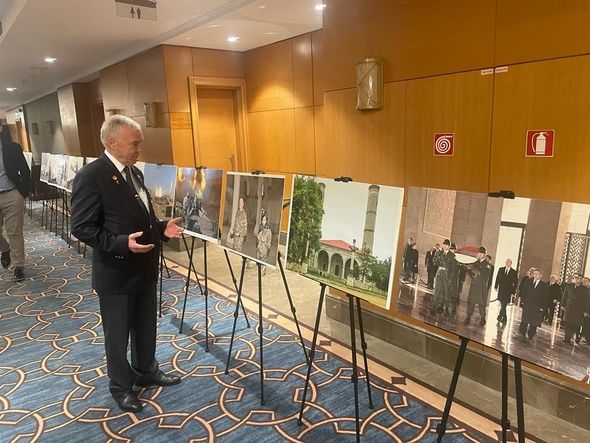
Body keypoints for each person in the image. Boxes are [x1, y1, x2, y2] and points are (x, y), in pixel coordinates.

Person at [70, 115, 183, 413]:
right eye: (135, 143)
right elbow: (81, 227)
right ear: (112, 143)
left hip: (144, 267)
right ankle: (121, 387)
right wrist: (121, 243)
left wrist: (162, 228)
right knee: (117, 335)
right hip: (116, 272)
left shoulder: (134, 172)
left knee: (145, 326)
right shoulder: (91, 176)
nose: (139, 148)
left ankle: (146, 370)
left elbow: (142, 217)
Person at [0, 123, 31, 282]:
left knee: (14, 231)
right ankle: (5, 249)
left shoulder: (12, 148)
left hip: (11, 194)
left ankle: (18, 265)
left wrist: (22, 193)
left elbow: (25, 170)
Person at [518, 268, 549, 340]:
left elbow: (546, 297)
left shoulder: (545, 285)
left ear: (541, 275)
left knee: (534, 322)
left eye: (537, 274)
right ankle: (522, 333)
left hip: (537, 306)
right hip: (527, 304)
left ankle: (531, 334)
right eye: (534, 274)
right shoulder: (528, 281)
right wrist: (522, 301)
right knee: (525, 320)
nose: (535, 275)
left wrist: (543, 307)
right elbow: (524, 292)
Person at [464, 246, 492, 326]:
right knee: (471, 302)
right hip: (474, 285)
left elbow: (484, 276)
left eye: (480, 253)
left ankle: (483, 319)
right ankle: (468, 317)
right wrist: (468, 269)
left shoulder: (487, 265)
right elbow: (471, 274)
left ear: (484, 254)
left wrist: (474, 269)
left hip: (481, 287)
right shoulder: (475, 262)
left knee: (481, 304)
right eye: (478, 253)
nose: (479, 254)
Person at [562, 274, 589, 344]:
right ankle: (567, 339)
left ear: (581, 280)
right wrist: (563, 305)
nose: (577, 279)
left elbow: (587, 301)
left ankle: (576, 337)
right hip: (569, 308)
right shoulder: (569, 286)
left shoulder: (585, 289)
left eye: (579, 278)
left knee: (576, 324)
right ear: (573, 278)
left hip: (579, 310)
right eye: (575, 278)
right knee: (567, 323)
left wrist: (586, 311)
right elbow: (565, 296)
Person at [432, 239, 456, 314]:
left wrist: (450, 278)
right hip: (439, 273)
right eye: (444, 244)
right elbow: (435, 263)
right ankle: (434, 307)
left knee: (446, 292)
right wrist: (435, 258)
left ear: (449, 246)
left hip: (446, 275)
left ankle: (445, 309)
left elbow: (453, 269)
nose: (445, 246)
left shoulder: (452, 256)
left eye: (446, 245)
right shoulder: (439, 253)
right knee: (437, 291)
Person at [494, 258, 518, 323]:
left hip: (508, 291)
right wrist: (496, 286)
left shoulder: (514, 272)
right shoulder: (501, 269)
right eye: (506, 262)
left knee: (504, 304)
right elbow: (497, 278)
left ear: (511, 263)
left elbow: (515, 283)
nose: (507, 263)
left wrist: (513, 292)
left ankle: (500, 316)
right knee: (503, 304)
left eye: (509, 262)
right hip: (501, 290)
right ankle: (504, 318)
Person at [448, 243, 461, 315]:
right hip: (448, 277)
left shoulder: (457, 258)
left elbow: (461, 268)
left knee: (454, 294)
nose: (452, 250)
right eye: (451, 249)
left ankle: (454, 308)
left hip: (455, 278)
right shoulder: (448, 256)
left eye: (453, 249)